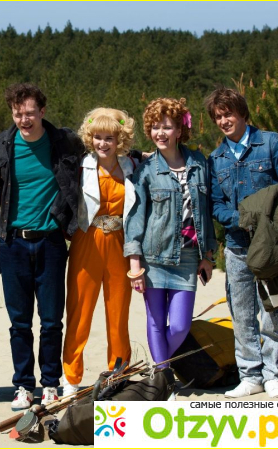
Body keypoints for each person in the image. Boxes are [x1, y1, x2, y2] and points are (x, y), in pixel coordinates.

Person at [205, 87, 278, 398]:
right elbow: (216, 205)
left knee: (274, 310)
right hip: (236, 246)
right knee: (242, 314)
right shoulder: (216, 159)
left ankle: (273, 374)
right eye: (218, 117)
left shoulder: (273, 143)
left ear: (242, 113)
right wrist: (242, 220)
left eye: (228, 114)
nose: (224, 121)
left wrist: (263, 219)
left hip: (274, 243)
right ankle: (250, 376)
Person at [0, 83, 82, 411]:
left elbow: (101, 153)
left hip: (51, 242)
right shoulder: (2, 143)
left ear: (42, 112)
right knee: (19, 322)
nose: (24, 119)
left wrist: (136, 156)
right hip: (13, 243)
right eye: (18, 114)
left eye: (30, 113)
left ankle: (51, 384)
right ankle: (23, 386)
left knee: (51, 320)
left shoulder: (64, 141)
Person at [123, 97, 216, 371]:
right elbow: (135, 219)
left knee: (179, 326)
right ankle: (162, 376)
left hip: (188, 258)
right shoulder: (145, 171)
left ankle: (158, 367)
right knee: (155, 321)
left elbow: (206, 213)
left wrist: (208, 256)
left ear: (179, 129)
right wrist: (135, 265)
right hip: (153, 258)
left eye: (166, 127)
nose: (160, 133)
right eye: (154, 127)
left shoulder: (199, 164)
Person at [62, 108, 137, 396]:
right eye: (97, 137)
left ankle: (118, 373)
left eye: (109, 138)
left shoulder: (133, 166)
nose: (103, 143)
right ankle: (71, 378)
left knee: (118, 313)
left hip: (120, 242)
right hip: (87, 240)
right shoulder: (80, 166)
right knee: (79, 311)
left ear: (120, 140)